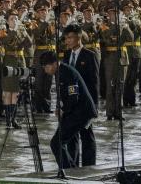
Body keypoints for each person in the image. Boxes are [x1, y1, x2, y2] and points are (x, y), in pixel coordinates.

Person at [42, 23, 98, 170]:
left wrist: (94, 106)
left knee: (87, 136)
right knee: (71, 139)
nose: (67, 41)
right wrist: (61, 106)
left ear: (79, 37)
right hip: (71, 104)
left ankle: (89, 167)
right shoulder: (66, 56)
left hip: (84, 103)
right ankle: (73, 166)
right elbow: (62, 85)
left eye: (70, 38)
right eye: (65, 38)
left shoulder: (90, 55)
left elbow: (94, 84)